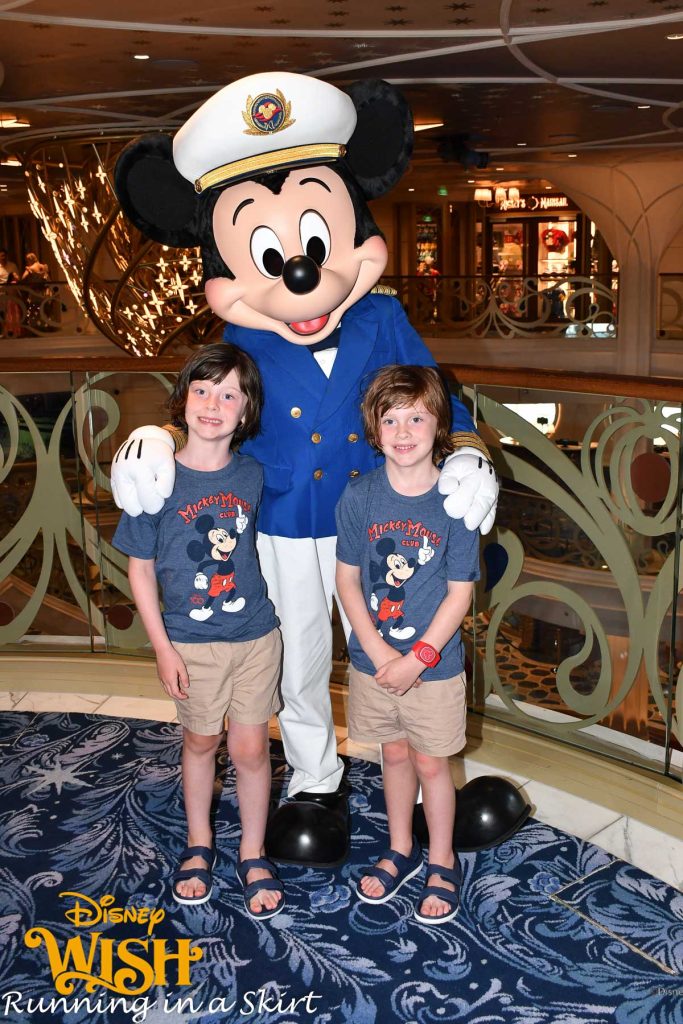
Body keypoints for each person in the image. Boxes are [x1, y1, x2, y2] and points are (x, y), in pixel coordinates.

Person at [110, 71, 499, 866]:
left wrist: (471, 456)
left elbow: (433, 399)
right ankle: (316, 777)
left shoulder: (382, 316)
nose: (296, 274)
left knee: (389, 636)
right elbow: (206, 407)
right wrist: (153, 439)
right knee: (297, 653)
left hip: (375, 516)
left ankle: (423, 774)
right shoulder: (243, 339)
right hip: (279, 520)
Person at [112, 343, 285, 919]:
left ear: (246, 410)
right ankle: (200, 843)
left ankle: (253, 849)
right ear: (183, 398)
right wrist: (162, 649)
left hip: (256, 634)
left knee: (252, 747)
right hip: (189, 640)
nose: (214, 403)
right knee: (200, 742)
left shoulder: (253, 474)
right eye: (203, 389)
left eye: (230, 394)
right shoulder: (153, 477)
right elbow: (138, 569)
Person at [335, 365, 479, 925]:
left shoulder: (455, 501)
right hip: (374, 661)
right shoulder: (359, 496)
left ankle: (441, 859)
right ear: (374, 429)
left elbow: (460, 592)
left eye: (415, 417)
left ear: (438, 422)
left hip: (434, 667)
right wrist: (377, 654)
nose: (402, 430)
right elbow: (347, 580)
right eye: (389, 418)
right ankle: (400, 847)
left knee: (431, 762)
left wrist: (419, 658)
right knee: (392, 753)